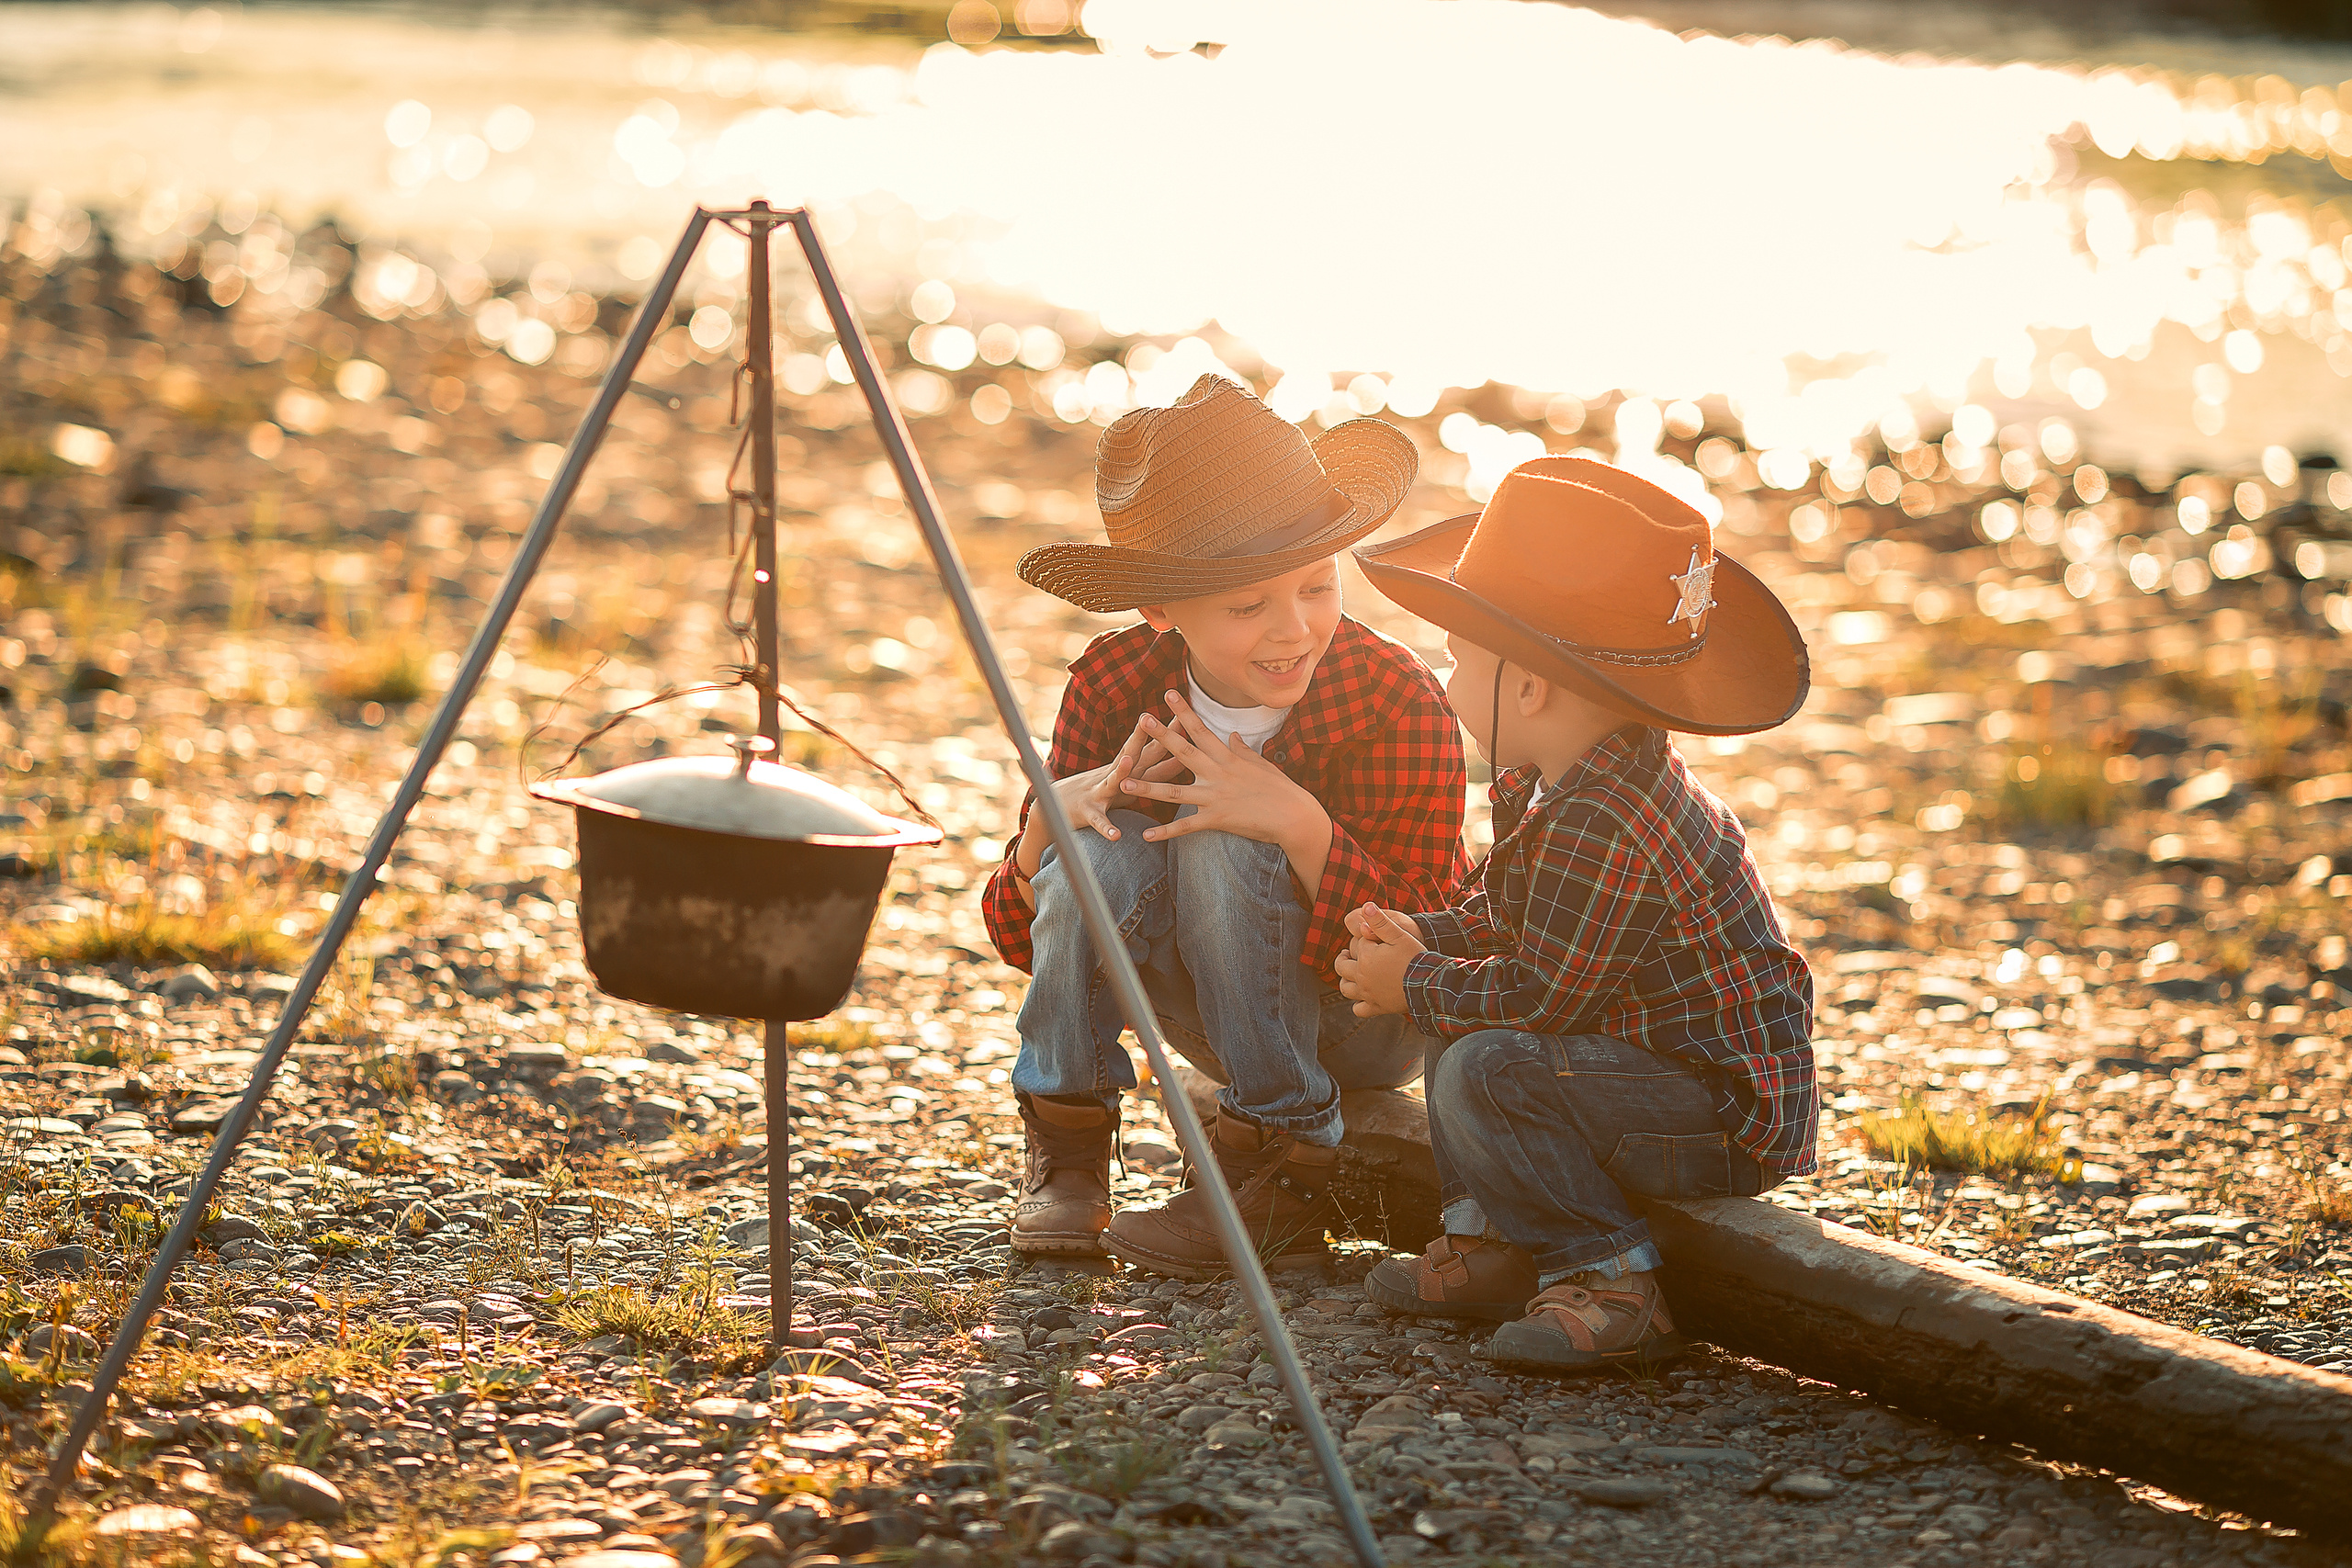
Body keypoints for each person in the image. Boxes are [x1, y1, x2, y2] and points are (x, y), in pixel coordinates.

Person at [980, 373, 1468, 1279]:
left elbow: (1434, 940)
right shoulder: (1113, 683)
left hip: (1363, 1015)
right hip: (1208, 1010)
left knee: (1218, 832)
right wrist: (1047, 830)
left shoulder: (1393, 697)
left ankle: (1279, 1171)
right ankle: (1070, 1144)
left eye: (1317, 589)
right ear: (1160, 611)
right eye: (1248, 606)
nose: (1294, 631)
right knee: (1098, 848)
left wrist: (1301, 828)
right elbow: (1021, 935)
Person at [1334, 456, 1815, 1371]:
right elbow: (1504, 915)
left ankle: (1611, 1282)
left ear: (1528, 689)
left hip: (1713, 1114)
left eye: (1455, 661)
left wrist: (1416, 982)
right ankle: (1493, 1245)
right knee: (1456, 1020)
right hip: (1623, 1069)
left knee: (1484, 1061)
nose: (1443, 683)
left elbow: (1545, 997)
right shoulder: (1546, 780)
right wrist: (1421, 943)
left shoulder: (1611, 818)